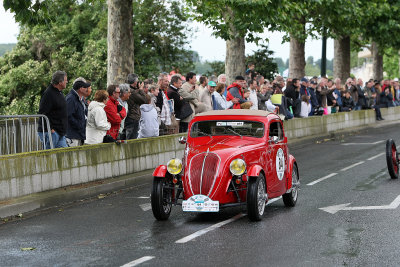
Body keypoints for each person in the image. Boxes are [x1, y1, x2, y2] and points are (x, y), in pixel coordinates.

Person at [38, 70, 68, 149]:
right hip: (52, 132)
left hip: (60, 132)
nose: (67, 82)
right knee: (49, 157)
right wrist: (51, 130)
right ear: (60, 82)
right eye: (65, 80)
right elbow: (42, 113)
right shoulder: (48, 94)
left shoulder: (59, 92)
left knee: (64, 155)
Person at [65, 79, 91, 146]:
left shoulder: (80, 99)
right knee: (72, 155)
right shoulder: (71, 98)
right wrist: (79, 125)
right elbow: (68, 115)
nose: (86, 89)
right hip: (72, 135)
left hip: (78, 134)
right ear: (80, 89)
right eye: (85, 87)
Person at [126, 73, 147, 139]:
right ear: (135, 82)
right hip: (133, 117)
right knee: (132, 138)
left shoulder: (127, 89)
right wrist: (141, 89)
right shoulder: (132, 92)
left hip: (129, 116)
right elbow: (144, 100)